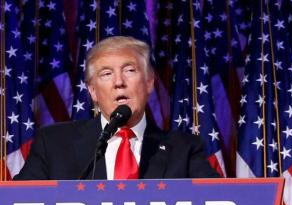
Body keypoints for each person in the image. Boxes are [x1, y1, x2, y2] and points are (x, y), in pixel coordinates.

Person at [15, 36, 218, 180]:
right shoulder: (53, 145)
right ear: (93, 91)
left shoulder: (184, 150)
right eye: (106, 74)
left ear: (149, 83)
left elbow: (219, 201)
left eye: (130, 70)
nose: (119, 82)